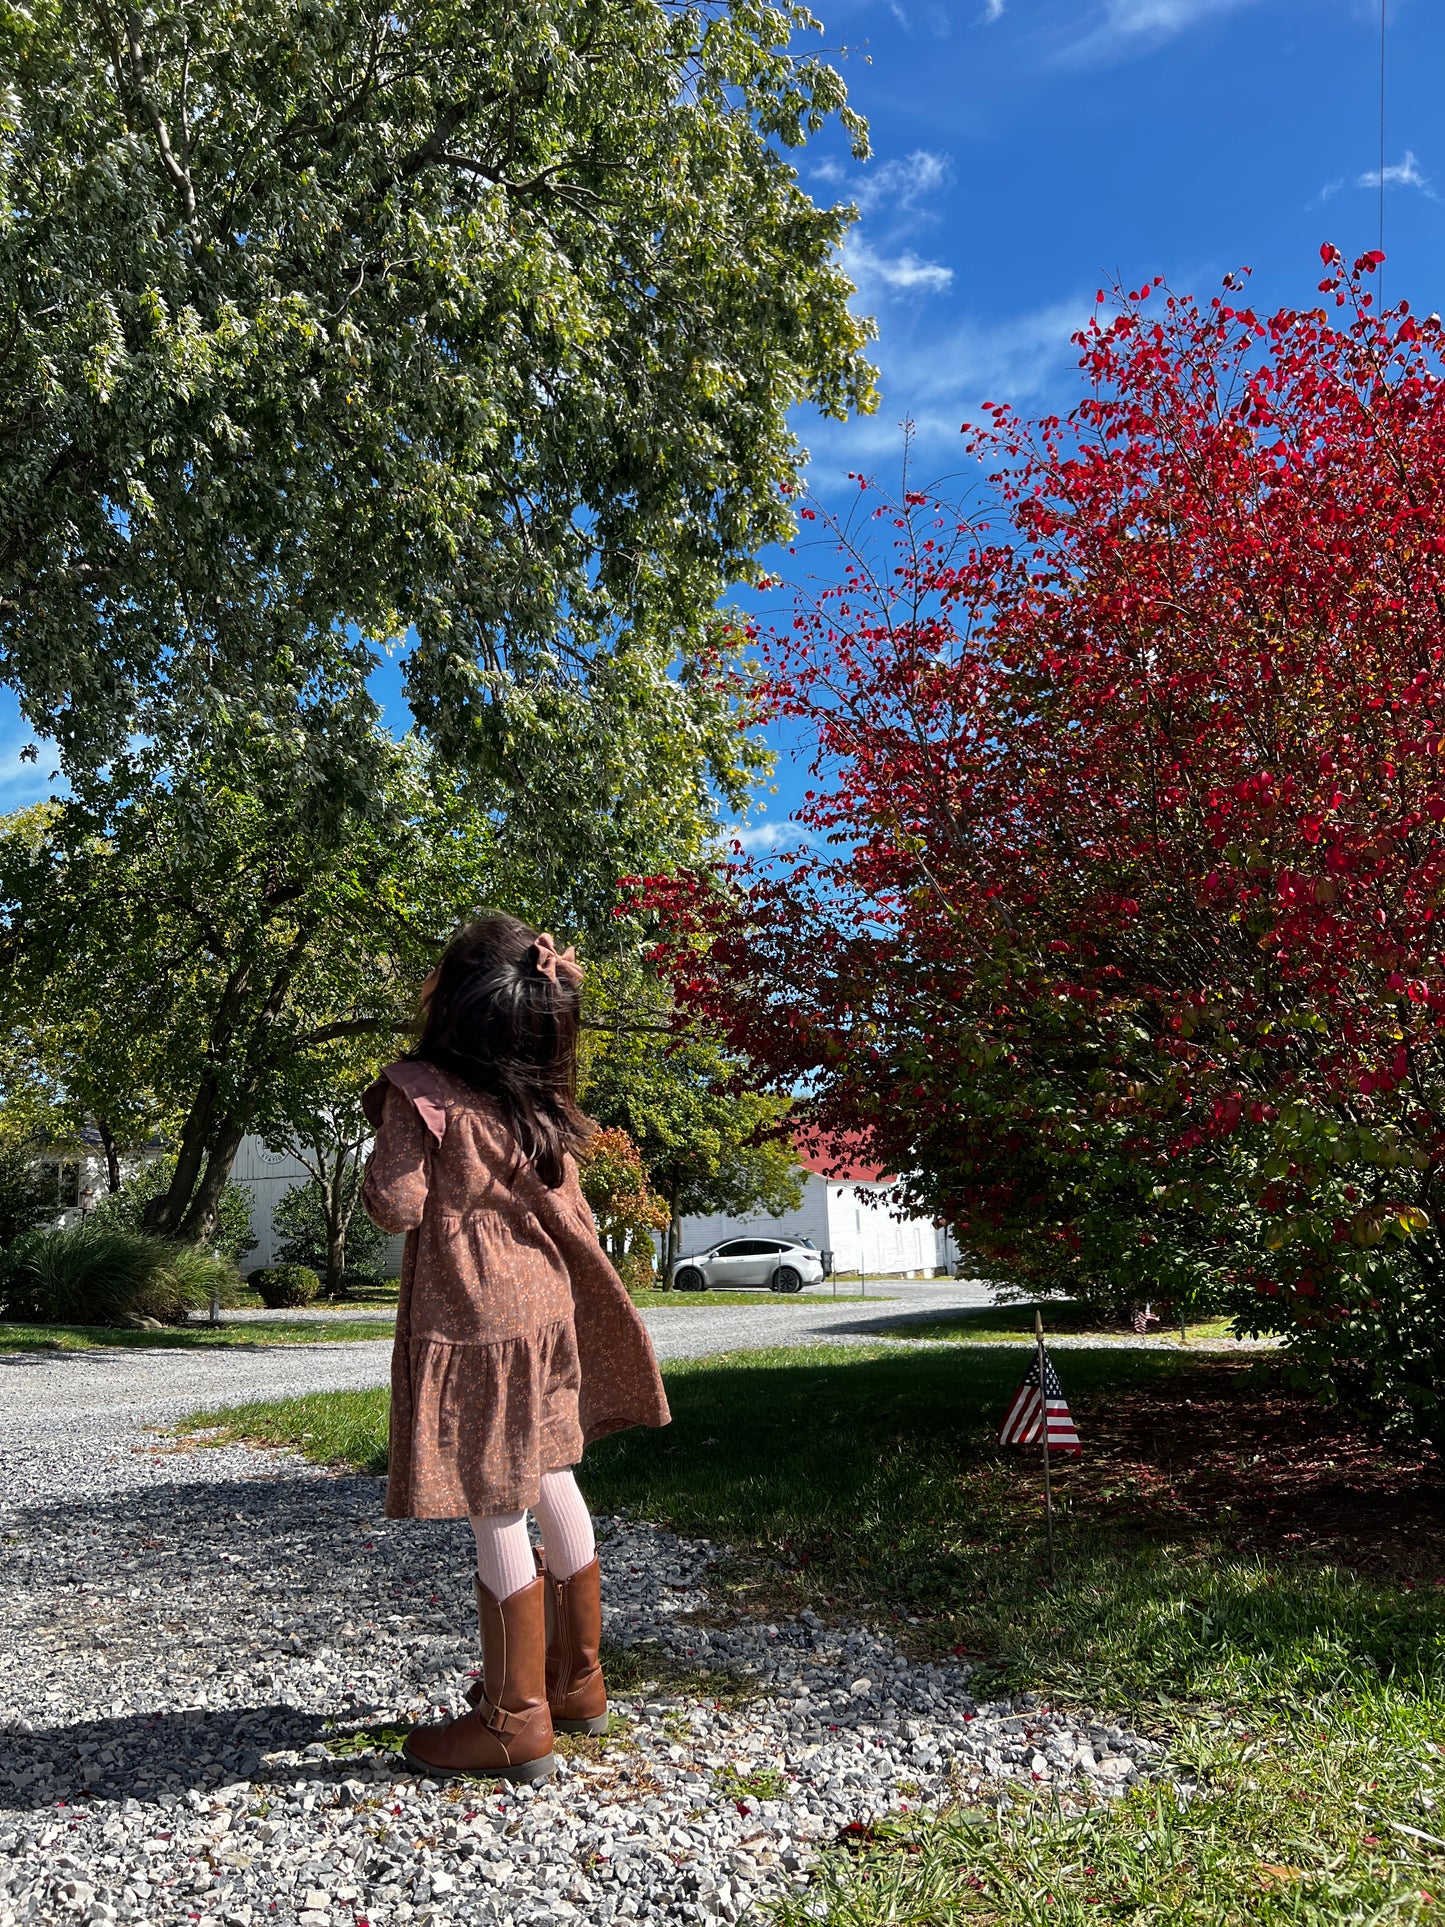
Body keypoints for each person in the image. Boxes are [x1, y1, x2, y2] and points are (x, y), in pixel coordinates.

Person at [360, 914, 670, 1783]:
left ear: (451, 1001)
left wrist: (389, 1138)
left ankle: (513, 1718)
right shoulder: (539, 1104)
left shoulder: (421, 1092)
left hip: (477, 1320)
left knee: (495, 1497)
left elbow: (396, 1204)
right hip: (544, 1311)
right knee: (549, 1472)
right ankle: (577, 1681)